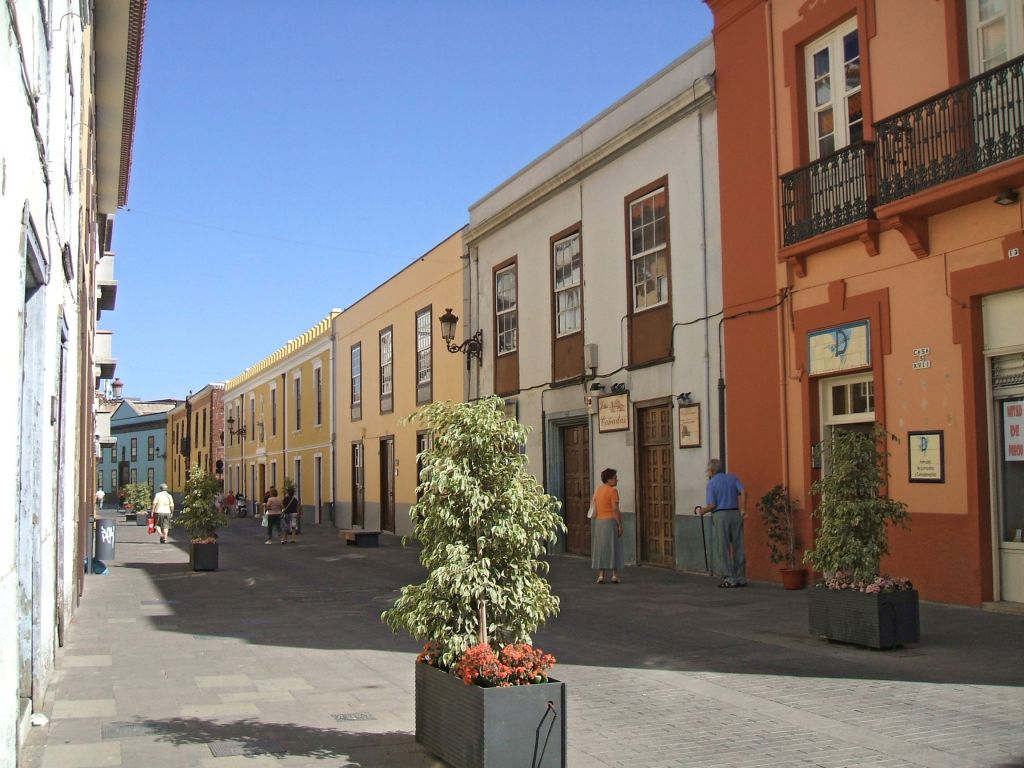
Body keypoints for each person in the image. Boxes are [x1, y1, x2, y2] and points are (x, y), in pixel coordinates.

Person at [700, 458, 747, 588]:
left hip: (721, 516)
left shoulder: (711, 483)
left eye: (708, 469)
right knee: (739, 546)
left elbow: (712, 505)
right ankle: (741, 577)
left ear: (712, 470)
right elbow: (743, 492)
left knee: (723, 547)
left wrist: (702, 511)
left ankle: (729, 578)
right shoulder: (733, 478)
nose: (707, 472)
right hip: (735, 513)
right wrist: (743, 509)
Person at [591, 467, 624, 584]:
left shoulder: (598, 490)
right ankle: (614, 574)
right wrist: (619, 524)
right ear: (609, 479)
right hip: (610, 522)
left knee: (601, 548)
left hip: (599, 522)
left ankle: (601, 575)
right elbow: (615, 509)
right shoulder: (613, 491)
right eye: (614, 478)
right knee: (613, 547)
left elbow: (594, 505)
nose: (616, 480)